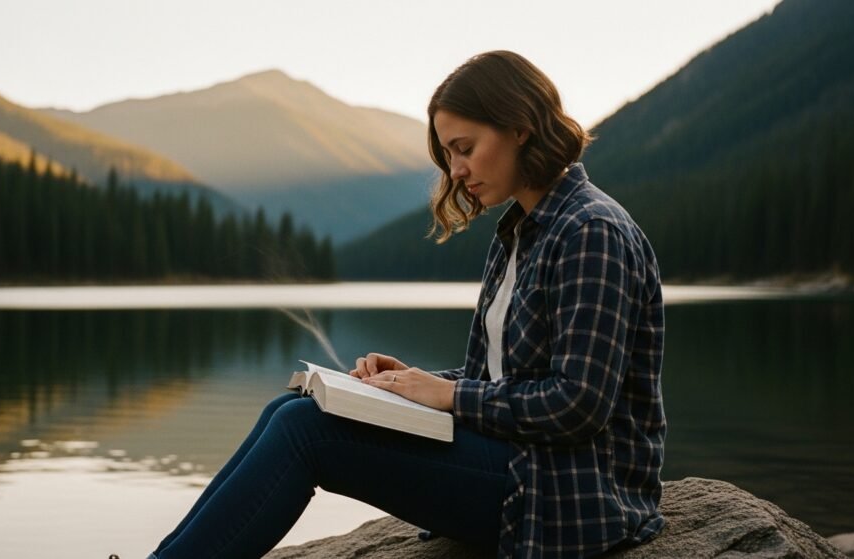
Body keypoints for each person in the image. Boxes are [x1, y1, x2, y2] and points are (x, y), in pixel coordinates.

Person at [140, 50, 666, 559]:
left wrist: (447, 395)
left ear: (520, 128)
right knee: (291, 409)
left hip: (571, 494)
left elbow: (578, 405)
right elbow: (505, 377)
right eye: (448, 155)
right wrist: (408, 384)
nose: (455, 171)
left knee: (305, 432)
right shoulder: (520, 233)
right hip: (527, 467)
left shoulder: (589, 232)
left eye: (464, 148)